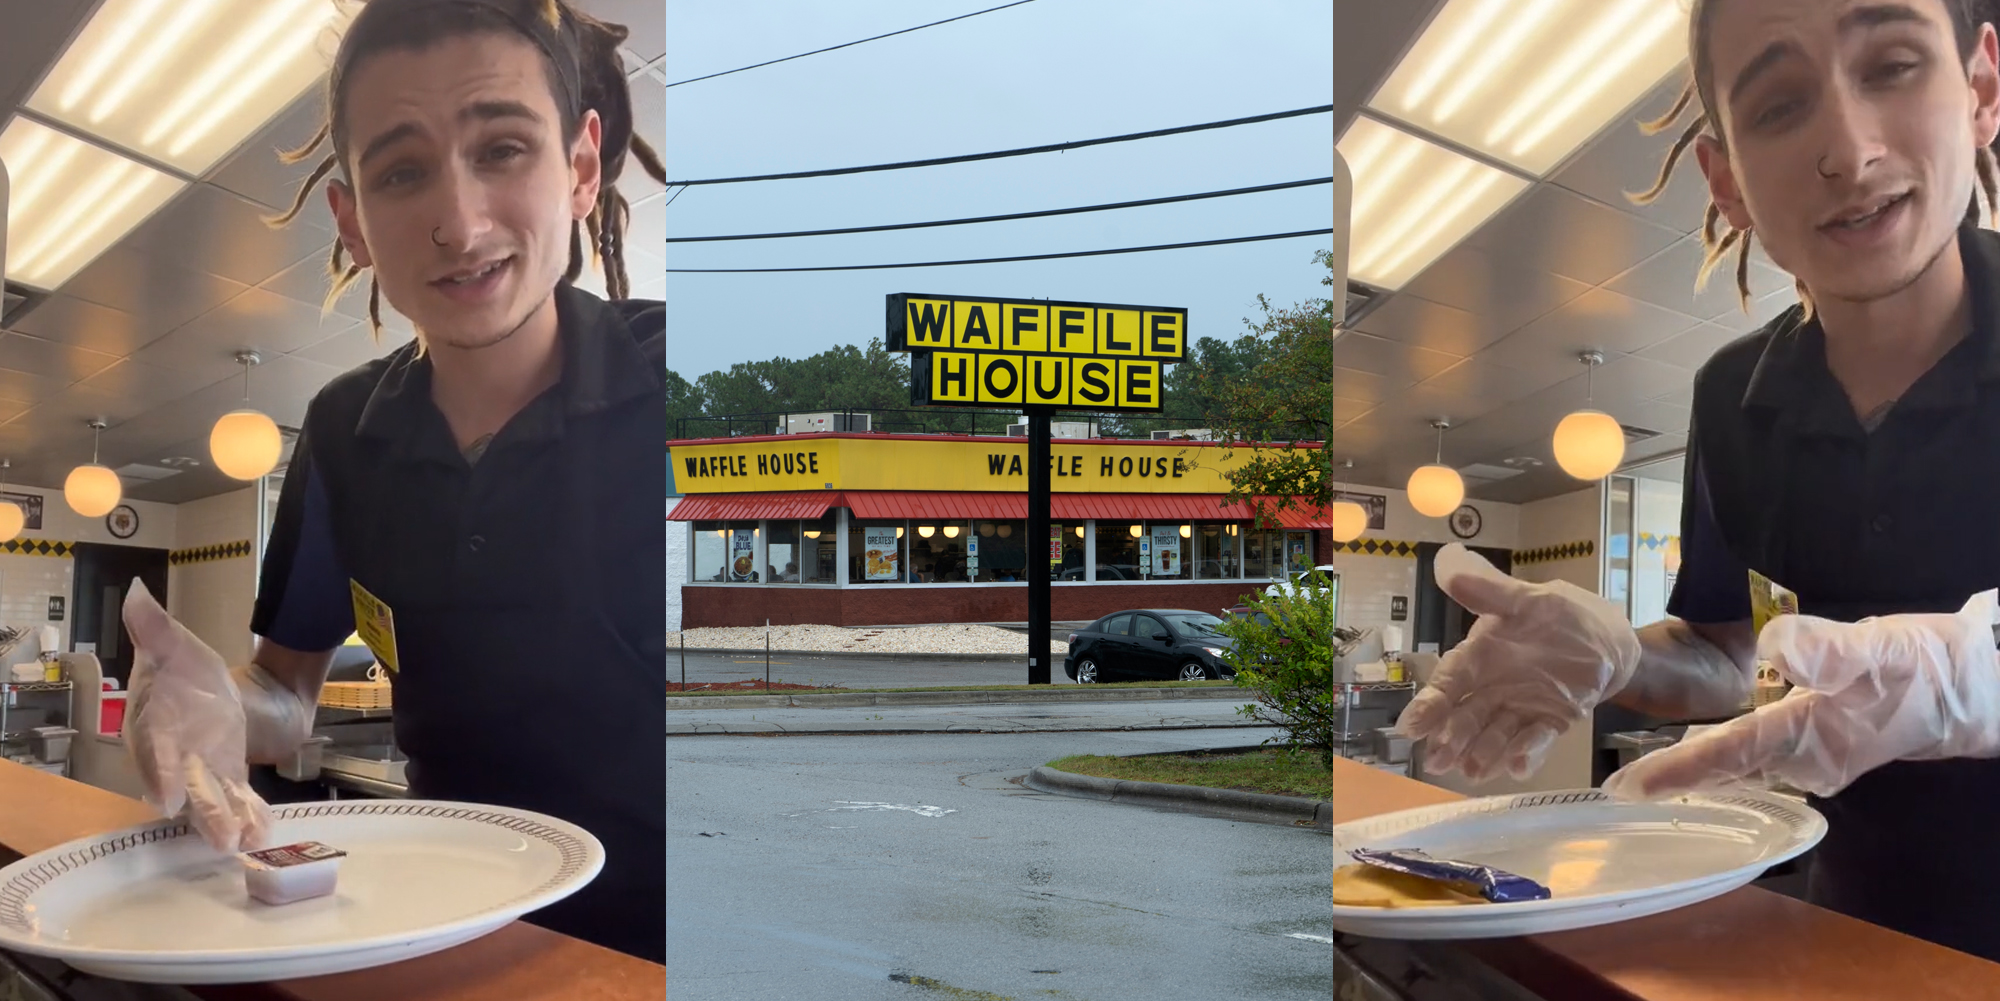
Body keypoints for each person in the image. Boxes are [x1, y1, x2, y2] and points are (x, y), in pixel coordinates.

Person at [1398, 0, 2000, 961]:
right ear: (1727, 182)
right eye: (1778, 103)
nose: (1848, 149)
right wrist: (1626, 658)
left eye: (1890, 65)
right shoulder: (1731, 398)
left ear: (1979, 88)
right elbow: (1730, 654)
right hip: (1837, 928)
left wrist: (1980, 676)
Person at [119, 0, 667, 964]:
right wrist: (214, 705)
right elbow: (285, 692)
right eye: (403, 171)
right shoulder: (341, 432)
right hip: (440, 931)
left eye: (502, 148)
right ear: (353, 218)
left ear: (580, 168)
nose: (458, 223)